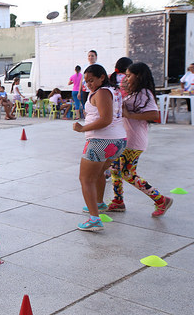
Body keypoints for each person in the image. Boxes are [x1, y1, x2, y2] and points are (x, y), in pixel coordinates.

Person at [107, 62, 172, 216]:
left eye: (129, 75)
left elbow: (154, 115)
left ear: (139, 76)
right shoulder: (135, 93)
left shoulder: (145, 93)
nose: (126, 78)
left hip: (134, 141)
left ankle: (161, 200)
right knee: (115, 169)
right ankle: (118, 201)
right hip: (123, 139)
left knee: (128, 173)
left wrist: (130, 115)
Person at [73, 64, 127, 231]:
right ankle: (99, 204)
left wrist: (83, 128)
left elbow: (105, 119)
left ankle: (94, 219)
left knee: (85, 179)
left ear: (102, 77)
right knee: (98, 174)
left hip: (101, 141)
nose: (89, 84)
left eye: (92, 80)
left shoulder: (102, 92)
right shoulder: (113, 91)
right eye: (86, 81)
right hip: (117, 141)